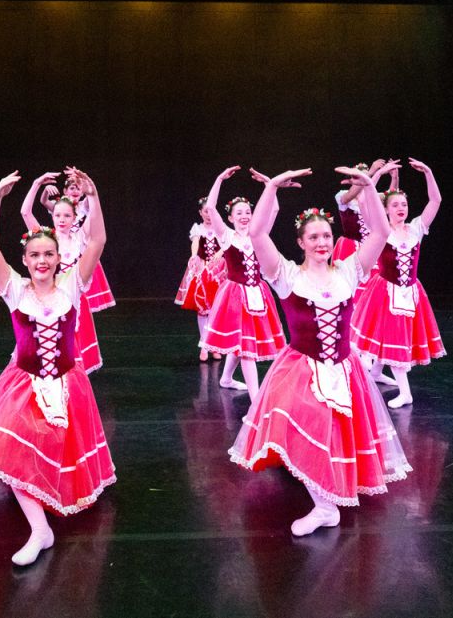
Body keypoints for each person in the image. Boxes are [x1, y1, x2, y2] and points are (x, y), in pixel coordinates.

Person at [0, 169, 116, 566]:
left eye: (49, 254)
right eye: (35, 255)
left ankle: (43, 512)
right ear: (24, 259)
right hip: (22, 383)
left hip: (67, 383)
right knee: (11, 446)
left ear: (59, 259)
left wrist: (94, 194)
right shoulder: (14, 288)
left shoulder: (73, 285)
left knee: (52, 449)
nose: (42, 261)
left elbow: (98, 239)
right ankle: (40, 530)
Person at [230, 165, 412, 536]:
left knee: (337, 430)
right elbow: (259, 232)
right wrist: (274, 188)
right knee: (304, 418)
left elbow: (379, 231)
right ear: (300, 242)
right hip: (301, 366)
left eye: (326, 235)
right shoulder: (286, 276)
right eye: (312, 237)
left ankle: (330, 496)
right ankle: (325, 506)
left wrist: (369, 187)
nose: (321, 242)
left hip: (344, 367)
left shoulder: (349, 271)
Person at [349, 158, 446, 408]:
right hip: (385, 291)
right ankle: (406, 392)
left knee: (391, 336)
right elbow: (364, 202)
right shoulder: (381, 230)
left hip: (411, 292)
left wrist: (429, 172)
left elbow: (435, 201)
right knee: (392, 336)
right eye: (395, 204)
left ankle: (375, 372)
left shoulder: (415, 229)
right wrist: (374, 176)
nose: (401, 208)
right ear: (387, 209)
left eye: (404, 204)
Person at [200, 166, 288, 400]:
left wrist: (270, 183)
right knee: (246, 346)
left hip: (258, 293)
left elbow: (275, 208)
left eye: (247, 211)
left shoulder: (259, 234)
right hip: (235, 295)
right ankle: (255, 398)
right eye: (238, 212)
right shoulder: (227, 236)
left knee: (243, 341)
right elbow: (210, 207)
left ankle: (226, 378)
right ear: (230, 217)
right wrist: (219, 178)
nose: (244, 215)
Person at [21, 173, 104, 372]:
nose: (62, 219)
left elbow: (95, 217)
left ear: (75, 217)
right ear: (52, 216)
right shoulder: (46, 238)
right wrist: (36, 183)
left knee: (74, 354)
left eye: (67, 215)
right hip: (50, 299)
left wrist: (92, 194)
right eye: (57, 215)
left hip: (74, 300)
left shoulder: (80, 237)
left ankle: (73, 390)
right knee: (50, 350)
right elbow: (25, 212)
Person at [35, 171, 116, 313]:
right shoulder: (59, 206)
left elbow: (93, 201)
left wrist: (83, 183)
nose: (76, 191)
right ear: (65, 191)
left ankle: (80, 308)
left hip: (79, 244)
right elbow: (43, 201)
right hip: (62, 246)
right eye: (72, 188)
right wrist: (45, 191)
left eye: (78, 188)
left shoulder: (82, 207)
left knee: (81, 286)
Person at [175, 197, 225, 361]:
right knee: (203, 308)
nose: (209, 215)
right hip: (204, 268)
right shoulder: (198, 228)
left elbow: (225, 245)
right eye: (206, 212)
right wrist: (194, 256)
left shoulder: (221, 228)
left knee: (216, 309)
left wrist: (218, 255)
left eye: (211, 211)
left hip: (219, 270)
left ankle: (213, 345)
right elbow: (195, 243)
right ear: (200, 213)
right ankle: (204, 345)